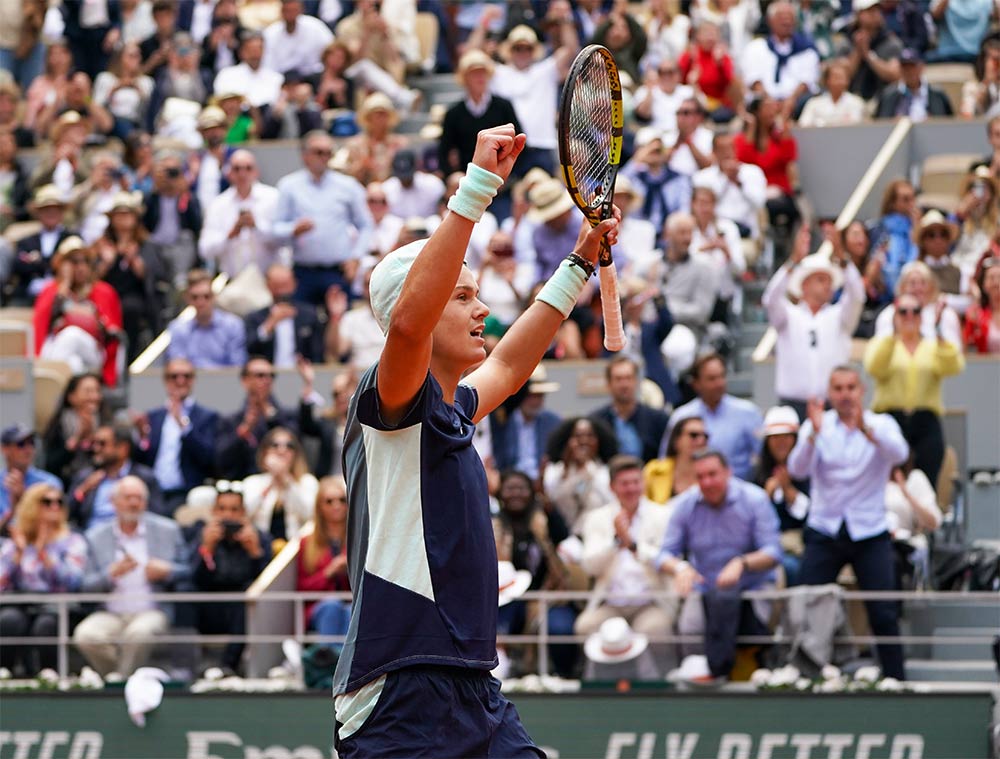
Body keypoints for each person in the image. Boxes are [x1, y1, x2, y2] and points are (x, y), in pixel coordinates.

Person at [332, 124, 618, 758]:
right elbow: (408, 326)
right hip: (398, 690)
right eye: (462, 296)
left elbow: (511, 368)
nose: (482, 308)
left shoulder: (449, 409)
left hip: (472, 688)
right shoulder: (390, 403)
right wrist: (479, 187)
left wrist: (578, 263)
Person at [787, 366, 909, 680]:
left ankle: (896, 680)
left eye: (850, 387)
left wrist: (868, 430)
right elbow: (797, 469)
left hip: (869, 530)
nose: (844, 395)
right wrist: (812, 434)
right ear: (830, 394)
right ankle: (801, 677)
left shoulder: (881, 424)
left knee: (883, 611)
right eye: (838, 388)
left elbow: (900, 453)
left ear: (861, 391)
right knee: (806, 605)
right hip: (826, 528)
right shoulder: (816, 425)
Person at [656, 450, 781, 678]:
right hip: (705, 587)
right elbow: (664, 554)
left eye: (712, 474)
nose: (707, 482)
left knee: (746, 635)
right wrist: (680, 567)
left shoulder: (754, 499)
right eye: (700, 477)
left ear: (728, 472)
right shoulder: (686, 504)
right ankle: (699, 689)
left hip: (750, 587)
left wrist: (741, 563)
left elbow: (773, 552)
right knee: (689, 630)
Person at [74, 475, 190, 677]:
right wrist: (110, 574)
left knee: (138, 634)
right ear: (114, 501)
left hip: (152, 611)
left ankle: (118, 686)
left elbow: (189, 570)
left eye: (139, 498)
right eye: (128, 497)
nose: (134, 503)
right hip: (110, 613)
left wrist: (167, 571)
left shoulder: (168, 530)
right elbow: (84, 585)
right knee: (85, 635)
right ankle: (123, 683)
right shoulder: (95, 536)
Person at [576, 455, 677, 677]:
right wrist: (616, 541)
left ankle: (661, 684)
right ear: (613, 487)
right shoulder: (596, 518)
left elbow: (667, 559)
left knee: (654, 630)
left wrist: (632, 544)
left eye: (635, 482)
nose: (631, 488)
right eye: (625, 483)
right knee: (585, 626)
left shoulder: (663, 515)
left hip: (651, 602)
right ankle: (597, 686)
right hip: (611, 602)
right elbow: (590, 565)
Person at [763, 227, 865, 420]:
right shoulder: (788, 316)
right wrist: (792, 262)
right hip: (793, 405)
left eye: (829, 281)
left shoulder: (840, 316)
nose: (827, 285)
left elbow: (857, 296)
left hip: (833, 406)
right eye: (820, 279)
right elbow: (770, 298)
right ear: (804, 285)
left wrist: (843, 259)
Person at [863, 293, 965, 486]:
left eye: (915, 311)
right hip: (889, 420)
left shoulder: (933, 345)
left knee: (926, 483)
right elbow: (873, 367)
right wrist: (893, 336)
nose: (909, 316)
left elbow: (954, 366)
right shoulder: (884, 343)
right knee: (886, 483)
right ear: (895, 316)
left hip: (925, 422)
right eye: (903, 312)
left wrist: (939, 332)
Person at [273, 131, 372, 307]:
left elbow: (366, 225)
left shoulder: (348, 186)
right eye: (318, 152)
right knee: (304, 328)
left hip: (337, 270)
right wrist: (293, 229)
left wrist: (356, 257)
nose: (324, 157)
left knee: (340, 324)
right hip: (303, 271)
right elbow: (275, 228)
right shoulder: (289, 186)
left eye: (328, 152)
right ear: (305, 155)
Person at [493, 469, 576, 678]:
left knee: (560, 629)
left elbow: (565, 538)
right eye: (510, 488)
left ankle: (565, 675)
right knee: (493, 631)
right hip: (504, 598)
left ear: (531, 492)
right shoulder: (491, 523)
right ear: (501, 493)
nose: (516, 494)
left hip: (548, 596)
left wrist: (548, 505)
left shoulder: (544, 519)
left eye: (522, 488)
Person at [0, 483, 87, 676]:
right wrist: (19, 554)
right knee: (9, 620)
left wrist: (44, 555)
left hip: (57, 607)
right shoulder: (16, 542)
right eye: (47, 502)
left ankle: (50, 677)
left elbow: (73, 581)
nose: (54, 506)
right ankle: (5, 675)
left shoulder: (73, 541)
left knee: (45, 625)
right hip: (21, 603)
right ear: (32, 505)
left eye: (59, 502)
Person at [189, 480, 272, 673]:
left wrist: (255, 553)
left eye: (234, 510)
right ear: (213, 512)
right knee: (186, 593)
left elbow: (269, 583)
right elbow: (193, 578)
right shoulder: (200, 534)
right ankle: (188, 666)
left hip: (243, 607)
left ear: (243, 513)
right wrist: (207, 550)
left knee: (246, 595)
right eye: (222, 509)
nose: (228, 516)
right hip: (209, 605)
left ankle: (228, 666)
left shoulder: (260, 537)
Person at [33, 237, 123, 386]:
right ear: (62, 265)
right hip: (59, 347)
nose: (80, 267)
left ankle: (45, 386)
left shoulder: (103, 291)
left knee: (71, 335)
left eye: (85, 261)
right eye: (74, 262)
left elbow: (113, 331)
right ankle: (66, 399)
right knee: (74, 364)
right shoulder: (52, 290)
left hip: (94, 350)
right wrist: (65, 284)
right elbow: (41, 326)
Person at [134, 358, 219, 513]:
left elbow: (209, 458)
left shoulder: (207, 417)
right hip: (152, 493)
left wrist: (183, 425)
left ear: (193, 380)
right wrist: (142, 437)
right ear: (165, 380)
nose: (181, 381)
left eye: (186, 376)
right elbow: (143, 459)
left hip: (186, 494)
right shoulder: (153, 417)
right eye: (174, 376)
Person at [663, 353, 763, 481]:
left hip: (737, 492)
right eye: (712, 379)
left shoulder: (748, 412)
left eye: (722, 377)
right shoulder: (681, 417)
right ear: (696, 384)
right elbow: (667, 459)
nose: (719, 383)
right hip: (690, 491)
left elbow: (763, 455)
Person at [92, 190, 166, 361]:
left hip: (136, 296)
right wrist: (106, 263)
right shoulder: (101, 244)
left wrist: (135, 261)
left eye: (127, 214)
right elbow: (91, 278)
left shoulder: (146, 244)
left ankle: (129, 359)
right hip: (106, 295)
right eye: (118, 214)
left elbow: (155, 276)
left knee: (130, 309)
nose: (123, 218)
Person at [198, 149, 280, 279]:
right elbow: (205, 250)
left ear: (256, 172)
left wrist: (257, 226)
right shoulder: (218, 204)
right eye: (237, 169)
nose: (242, 174)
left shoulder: (274, 198)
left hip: (268, 279)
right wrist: (230, 234)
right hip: (232, 280)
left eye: (248, 168)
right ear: (229, 173)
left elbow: (283, 240)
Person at [438, 50, 521, 178]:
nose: (480, 77)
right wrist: (454, 176)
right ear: (465, 78)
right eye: (474, 73)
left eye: (483, 72)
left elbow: (518, 142)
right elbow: (444, 151)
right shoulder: (453, 114)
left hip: (501, 177)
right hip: (468, 179)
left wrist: (508, 175)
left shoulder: (503, 106)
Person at [215, 356, 300, 480]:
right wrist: (243, 431)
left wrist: (271, 418)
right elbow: (220, 460)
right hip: (241, 484)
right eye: (260, 375)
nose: (267, 380)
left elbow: (295, 446)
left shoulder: (287, 416)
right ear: (245, 380)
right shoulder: (231, 421)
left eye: (271, 376)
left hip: (281, 481)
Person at [68, 423, 164, 530]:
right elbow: (66, 514)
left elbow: (157, 517)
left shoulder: (144, 478)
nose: (96, 448)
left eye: (102, 444)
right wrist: (82, 491)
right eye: (94, 443)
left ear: (123, 448)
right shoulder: (85, 477)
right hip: (91, 539)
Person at [752, 406, 809, 586]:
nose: (781, 442)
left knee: (792, 568)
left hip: (800, 545)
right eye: (775, 437)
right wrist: (766, 496)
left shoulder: (809, 472)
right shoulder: (756, 475)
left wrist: (788, 490)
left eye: (786, 437)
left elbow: (811, 513)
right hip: (765, 545)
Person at [297, 476, 351, 650]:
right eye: (329, 501)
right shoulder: (307, 542)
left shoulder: (360, 540)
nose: (337, 505)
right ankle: (329, 665)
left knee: (352, 610)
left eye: (342, 500)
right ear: (320, 506)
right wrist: (329, 572)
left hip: (351, 602)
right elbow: (303, 587)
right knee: (332, 605)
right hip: (320, 607)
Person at [241, 427, 318, 546]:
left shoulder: (307, 482)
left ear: (296, 453)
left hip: (295, 549)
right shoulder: (253, 482)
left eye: (289, 446)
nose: (282, 450)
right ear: (265, 451)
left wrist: (286, 480)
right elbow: (244, 514)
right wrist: (272, 481)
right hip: (260, 548)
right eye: (275, 445)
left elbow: (310, 515)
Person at [740, 1, 820, 114]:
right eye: (781, 17)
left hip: (796, 104)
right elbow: (754, 81)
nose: (786, 21)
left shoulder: (806, 49)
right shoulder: (756, 47)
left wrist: (790, 101)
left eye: (790, 17)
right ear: (769, 20)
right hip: (764, 103)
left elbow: (806, 82)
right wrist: (769, 103)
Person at [542, 416, 617, 533]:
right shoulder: (555, 470)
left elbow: (612, 502)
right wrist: (566, 473)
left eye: (590, 436)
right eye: (577, 436)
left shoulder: (606, 471)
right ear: (566, 440)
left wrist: (587, 468)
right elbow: (551, 500)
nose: (584, 441)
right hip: (563, 533)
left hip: (599, 533)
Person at [591, 356, 669, 463]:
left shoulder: (658, 419)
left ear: (636, 381)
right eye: (618, 379)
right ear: (608, 384)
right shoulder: (596, 421)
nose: (624, 385)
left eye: (628, 378)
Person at [490, 365, 563, 481]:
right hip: (507, 482)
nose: (536, 401)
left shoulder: (553, 422)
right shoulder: (501, 421)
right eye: (531, 396)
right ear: (520, 396)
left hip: (543, 483)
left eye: (540, 396)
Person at [245, 264, 325, 367]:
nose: (282, 291)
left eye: (285, 284)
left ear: (294, 284)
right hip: (267, 376)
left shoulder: (309, 315)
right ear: (268, 286)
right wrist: (269, 325)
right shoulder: (255, 317)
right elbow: (249, 349)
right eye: (277, 285)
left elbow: (318, 354)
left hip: (301, 373)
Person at [165, 269, 247, 368]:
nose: (201, 302)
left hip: (225, 381)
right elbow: (178, 367)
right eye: (195, 297)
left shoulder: (233, 325)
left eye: (206, 296)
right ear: (188, 298)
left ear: (214, 296)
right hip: (190, 382)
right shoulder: (177, 329)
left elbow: (237, 366)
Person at [692, 132, 767, 239]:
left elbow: (760, 203)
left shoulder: (753, 172)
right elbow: (703, 207)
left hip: (745, 233)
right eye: (722, 149)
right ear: (713, 152)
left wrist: (739, 183)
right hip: (714, 233)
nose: (727, 153)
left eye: (730, 148)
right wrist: (725, 178)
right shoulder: (701, 177)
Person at [9, 184, 75, 304]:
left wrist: (38, 261)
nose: (51, 213)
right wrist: (51, 262)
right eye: (46, 209)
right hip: (28, 296)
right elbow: (17, 266)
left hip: (62, 295)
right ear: (38, 213)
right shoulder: (26, 241)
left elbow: (74, 266)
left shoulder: (72, 238)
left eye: (55, 209)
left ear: (61, 212)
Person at [874, 261, 963, 347]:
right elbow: (880, 346)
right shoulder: (889, 313)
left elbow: (954, 349)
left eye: (923, 283)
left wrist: (937, 326)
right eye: (912, 283)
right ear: (902, 287)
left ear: (932, 287)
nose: (918, 288)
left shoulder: (945, 314)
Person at [42, 373, 104, 489]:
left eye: (97, 391)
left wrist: (95, 440)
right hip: (66, 483)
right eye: (88, 391)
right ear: (71, 397)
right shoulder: (59, 425)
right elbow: (51, 464)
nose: (94, 397)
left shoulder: (106, 422)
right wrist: (77, 439)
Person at [0, 424, 61, 532]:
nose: (28, 450)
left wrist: (25, 497)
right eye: (21, 444)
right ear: (4, 449)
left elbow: (53, 525)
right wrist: (13, 511)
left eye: (31, 443)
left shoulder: (49, 483)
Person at [340, 92, 408, 186]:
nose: (381, 118)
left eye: (384, 114)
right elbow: (348, 177)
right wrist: (363, 164)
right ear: (368, 118)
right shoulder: (355, 145)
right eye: (377, 114)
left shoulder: (399, 144)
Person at [866, 178, 919, 297]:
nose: (912, 204)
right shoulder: (878, 229)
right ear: (892, 203)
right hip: (886, 294)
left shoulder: (919, 228)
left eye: (913, 198)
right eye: (906, 199)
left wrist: (917, 229)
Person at [841, 0, 903, 102]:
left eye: (877, 10)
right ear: (858, 14)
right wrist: (858, 51)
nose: (875, 14)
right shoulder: (847, 42)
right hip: (851, 101)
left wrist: (868, 54)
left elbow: (895, 75)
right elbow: (842, 76)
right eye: (870, 11)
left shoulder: (891, 42)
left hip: (882, 100)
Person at [643, 416, 708, 505]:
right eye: (694, 435)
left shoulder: (712, 475)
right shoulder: (654, 471)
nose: (701, 441)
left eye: (705, 436)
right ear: (676, 440)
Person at [261, 0, 332, 77]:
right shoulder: (271, 33)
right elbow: (267, 64)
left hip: (313, 76)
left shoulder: (316, 27)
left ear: (301, 10)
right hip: (280, 79)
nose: (291, 14)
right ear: (281, 12)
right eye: (287, 11)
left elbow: (331, 48)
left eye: (294, 10)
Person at [213, 31, 283, 109]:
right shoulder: (226, 75)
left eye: (258, 49)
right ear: (241, 52)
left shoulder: (276, 78)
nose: (255, 55)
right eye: (251, 50)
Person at [798, 58, 867, 128]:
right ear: (827, 80)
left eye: (842, 78)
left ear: (847, 81)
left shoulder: (857, 102)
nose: (839, 82)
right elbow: (803, 126)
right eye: (836, 78)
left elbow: (858, 127)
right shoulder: (813, 103)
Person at [963, 257, 1000, 353]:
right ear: (984, 285)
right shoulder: (976, 314)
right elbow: (969, 350)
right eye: (991, 278)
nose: (996, 283)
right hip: (985, 366)